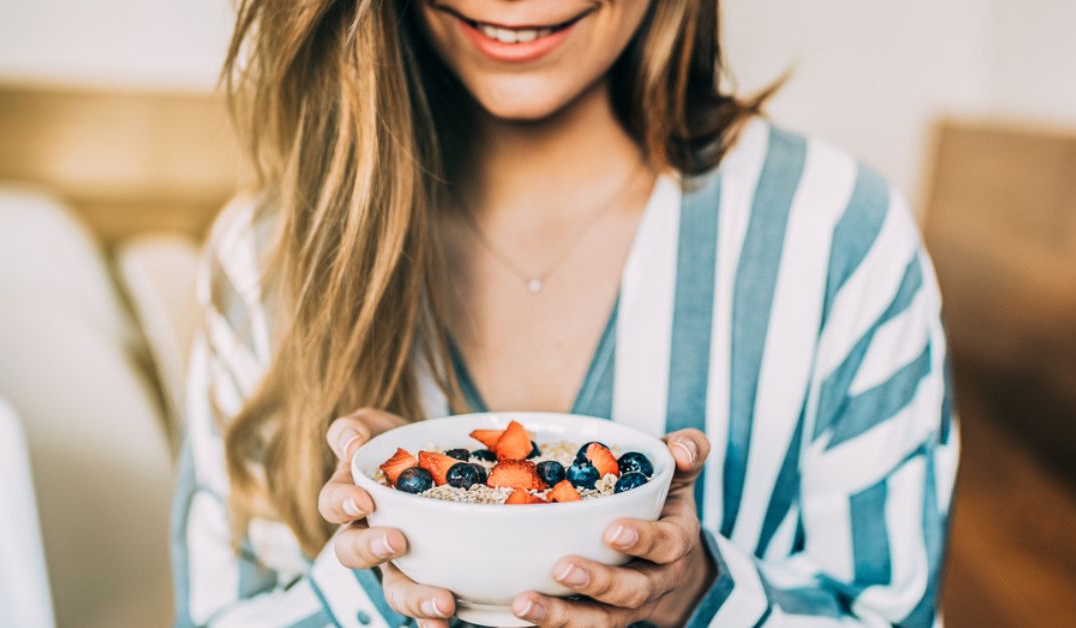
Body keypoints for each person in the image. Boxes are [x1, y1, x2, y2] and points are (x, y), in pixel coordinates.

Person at [171, 1, 959, 626]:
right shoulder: (268, 256)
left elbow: (890, 614)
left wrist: (699, 598)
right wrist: (374, 580)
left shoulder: (838, 236)